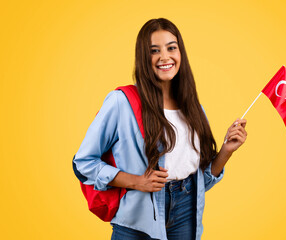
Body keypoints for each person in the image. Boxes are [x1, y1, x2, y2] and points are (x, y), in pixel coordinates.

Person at [73, 18, 247, 240]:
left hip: (186, 213)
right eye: (155, 50)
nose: (165, 57)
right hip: (137, 218)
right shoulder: (121, 102)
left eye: (171, 48)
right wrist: (136, 181)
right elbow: (83, 163)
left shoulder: (194, 109)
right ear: (144, 58)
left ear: (180, 53)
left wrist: (226, 151)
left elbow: (200, 182)